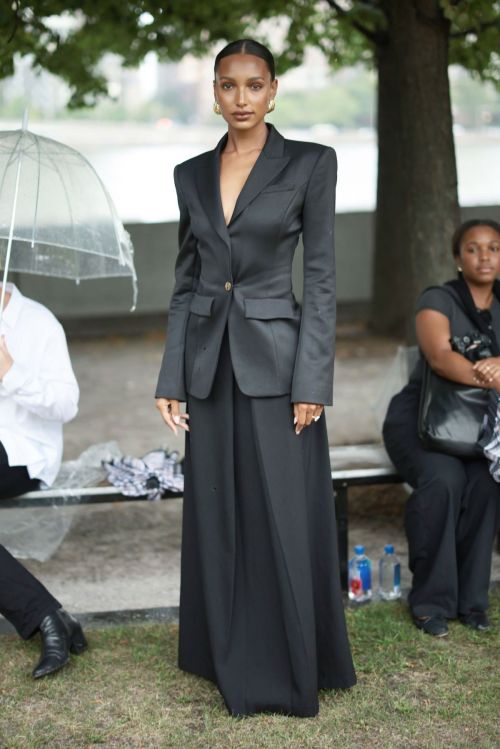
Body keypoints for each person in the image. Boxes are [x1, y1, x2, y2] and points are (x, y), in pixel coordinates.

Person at [155, 39, 356, 717]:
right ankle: (221, 652)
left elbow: (322, 279)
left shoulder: (310, 164)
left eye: (253, 84)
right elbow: (185, 285)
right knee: (216, 511)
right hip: (209, 364)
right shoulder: (188, 175)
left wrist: (313, 381)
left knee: (284, 512)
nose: (240, 98)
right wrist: (171, 374)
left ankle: (294, 659)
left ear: (273, 91)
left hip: (279, 365)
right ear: (214, 93)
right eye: (227, 85)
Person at [383, 219, 500, 637]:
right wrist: (494, 374)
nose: (484, 256)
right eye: (473, 248)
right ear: (457, 257)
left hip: (477, 432)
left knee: (487, 485)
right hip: (422, 423)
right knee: (443, 481)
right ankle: (431, 602)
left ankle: (471, 603)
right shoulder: (438, 299)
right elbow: (440, 358)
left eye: (493, 248)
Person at [0, 282, 87, 677]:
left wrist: (9, 370)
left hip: (22, 451)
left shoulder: (38, 322)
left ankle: (45, 616)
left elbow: (66, 404)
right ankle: (49, 617)